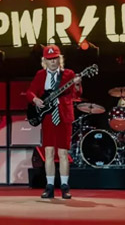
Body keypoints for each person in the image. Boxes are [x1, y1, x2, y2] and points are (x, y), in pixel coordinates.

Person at [25, 45, 81, 199]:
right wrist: (35, 100)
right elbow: (30, 92)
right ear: (44, 61)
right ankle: (49, 186)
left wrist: (77, 83)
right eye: (50, 59)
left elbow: (77, 94)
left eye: (55, 58)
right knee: (48, 152)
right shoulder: (40, 75)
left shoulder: (68, 74)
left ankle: (64, 186)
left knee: (63, 153)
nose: (53, 62)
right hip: (48, 117)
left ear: (59, 59)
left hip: (64, 116)